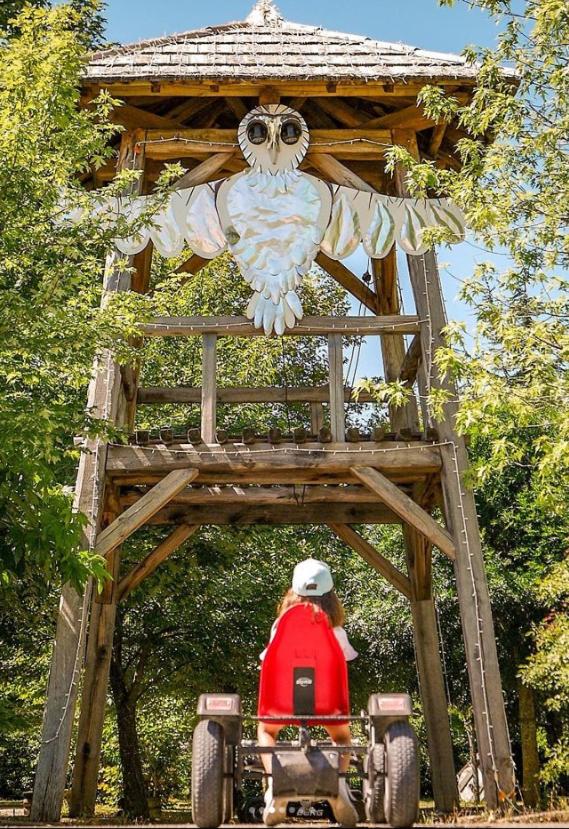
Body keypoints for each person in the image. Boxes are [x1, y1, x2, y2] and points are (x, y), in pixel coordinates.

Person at [258, 558, 359, 827]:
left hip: (283, 702)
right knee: (341, 736)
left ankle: (273, 786)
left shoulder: (279, 627)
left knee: (266, 730)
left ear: (293, 592)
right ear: (331, 596)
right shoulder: (336, 630)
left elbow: (268, 661)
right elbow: (345, 660)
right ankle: (339, 784)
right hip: (327, 702)